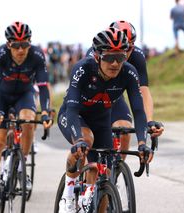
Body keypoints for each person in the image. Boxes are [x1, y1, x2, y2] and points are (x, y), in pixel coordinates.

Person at [57, 27, 153, 213]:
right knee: (86, 141)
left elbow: (139, 111)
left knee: (104, 179)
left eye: (121, 57)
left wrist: (142, 143)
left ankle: (90, 198)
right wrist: (78, 141)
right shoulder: (83, 69)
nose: (116, 63)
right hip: (75, 117)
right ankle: (68, 192)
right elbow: (72, 108)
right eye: (109, 57)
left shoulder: (129, 72)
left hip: (101, 122)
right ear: (97, 56)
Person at [0, 21, 53, 208]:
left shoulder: (37, 55)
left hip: (24, 94)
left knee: (29, 121)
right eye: (16, 45)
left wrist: (45, 111)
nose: (21, 50)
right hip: (2, 97)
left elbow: (44, 86)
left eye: (25, 45)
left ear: (30, 43)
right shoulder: (0, 54)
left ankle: (22, 168)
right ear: (8, 45)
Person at [86, 20, 164, 160]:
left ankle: (115, 171)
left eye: (129, 47)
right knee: (89, 141)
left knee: (125, 130)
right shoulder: (95, 54)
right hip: (93, 99)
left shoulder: (137, 56)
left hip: (114, 97)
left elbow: (144, 91)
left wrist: (149, 121)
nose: (125, 52)